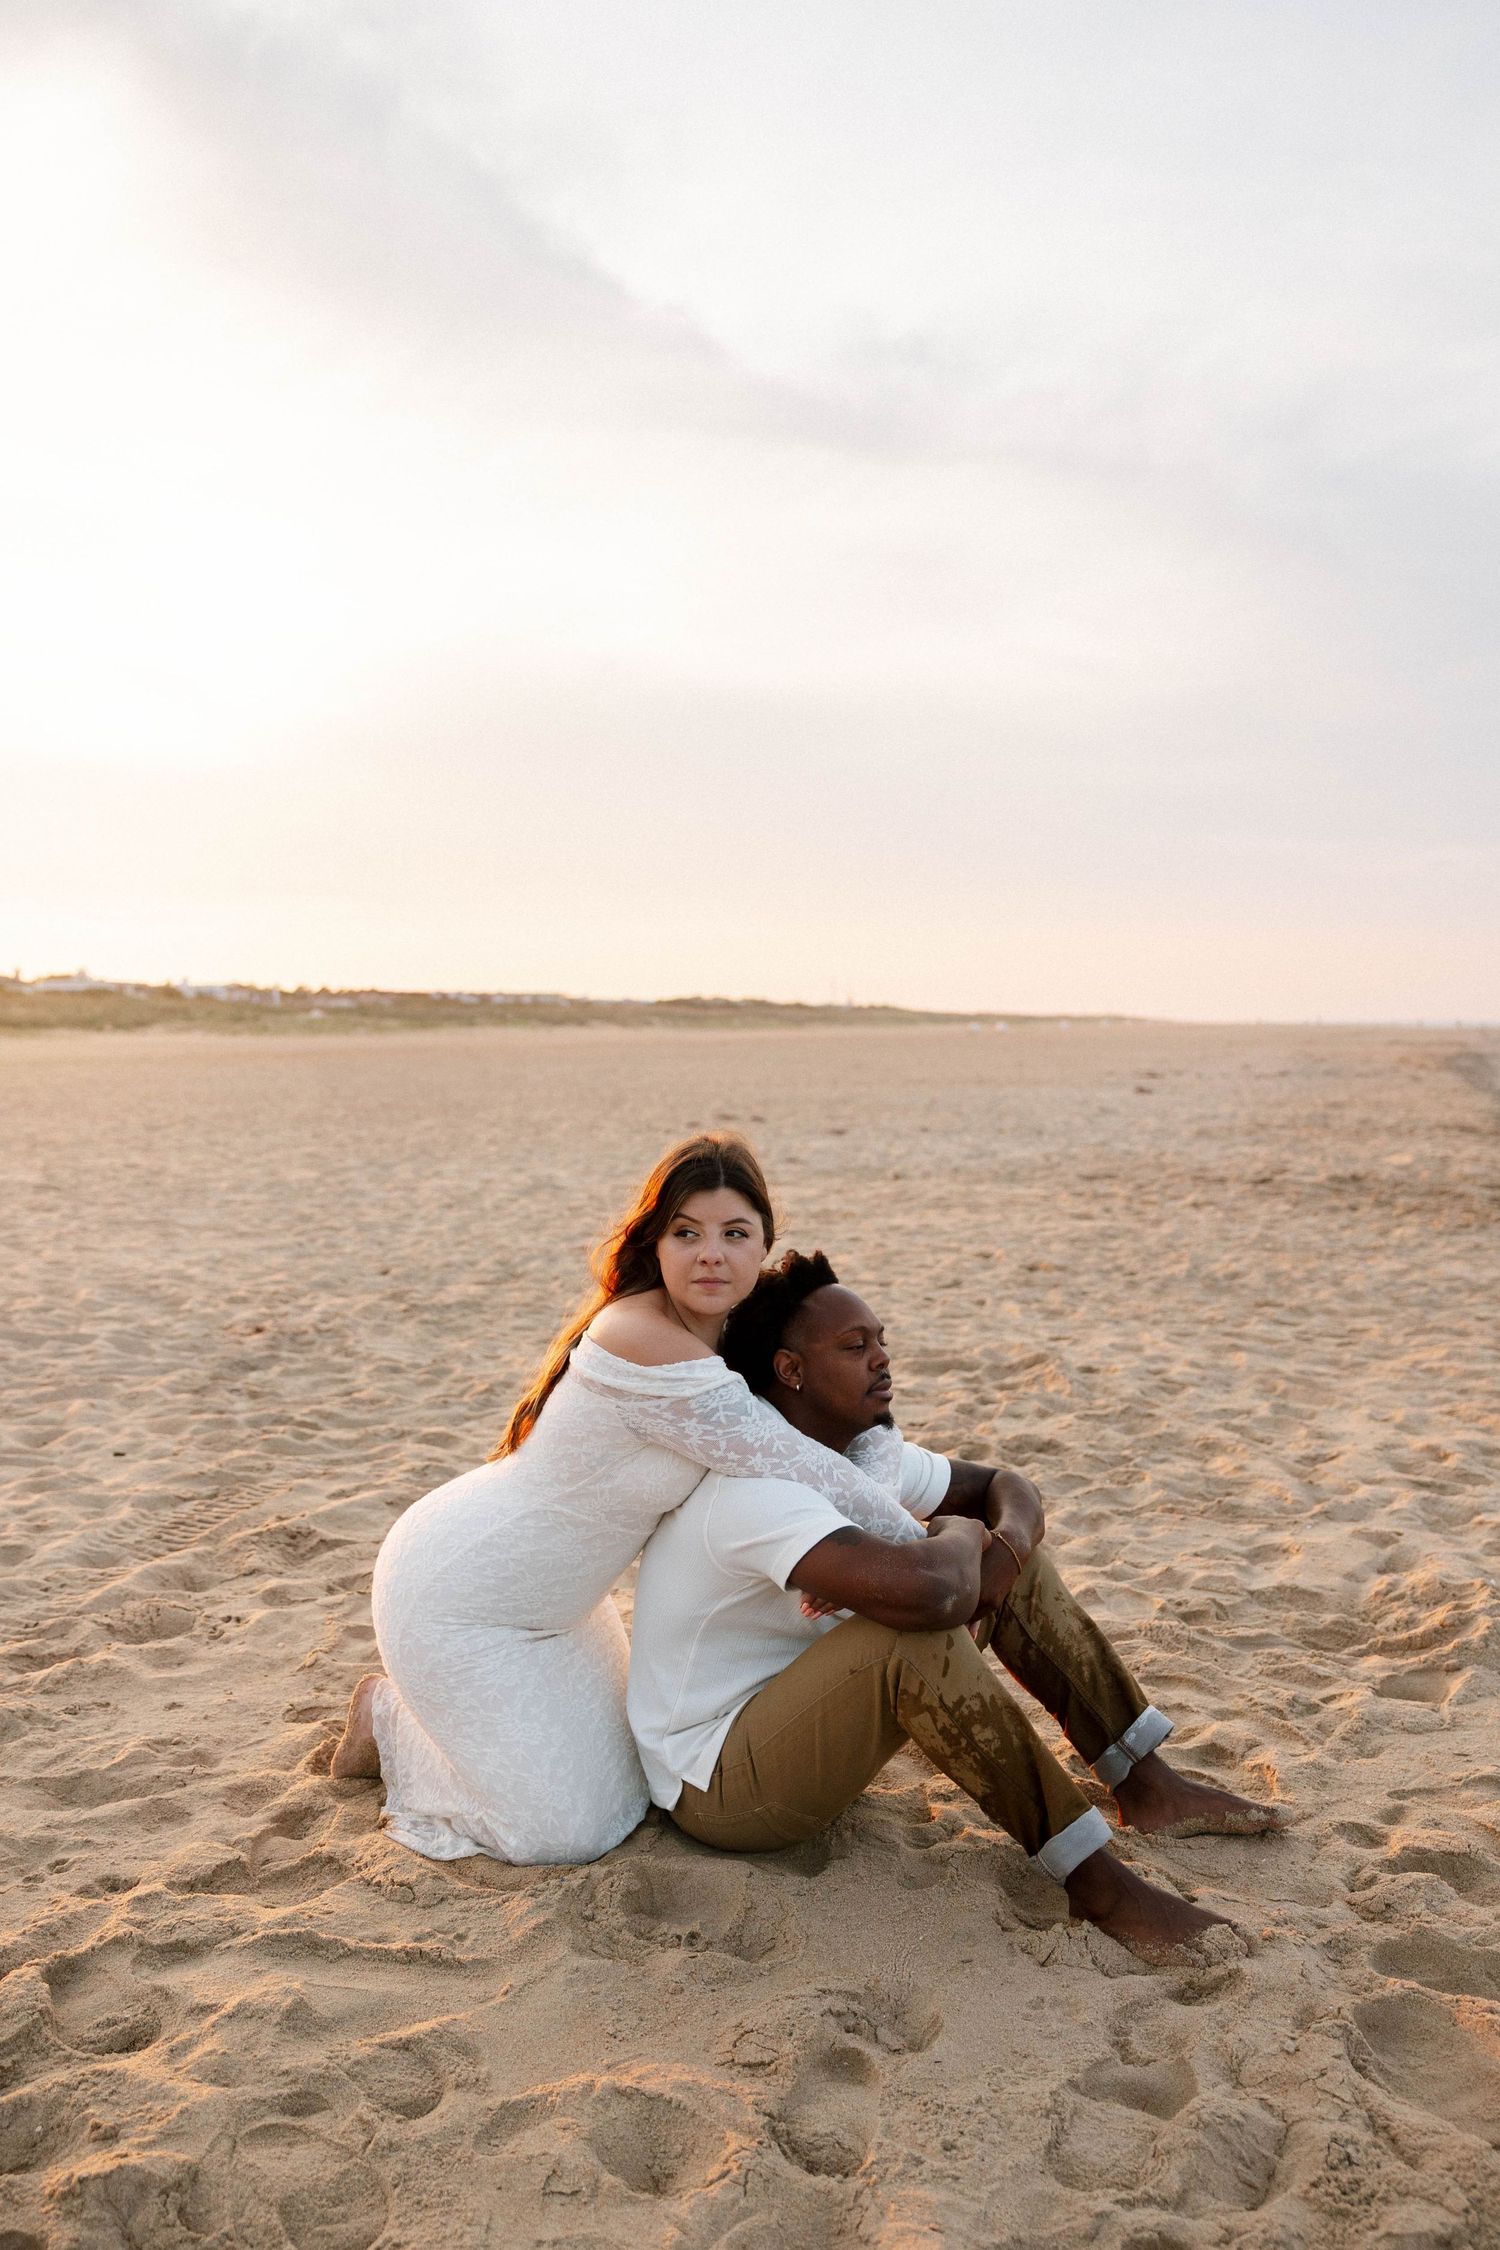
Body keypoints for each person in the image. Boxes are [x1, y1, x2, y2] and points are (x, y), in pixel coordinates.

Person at [627, 1251, 1284, 1960]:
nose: (882, 1360)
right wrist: (965, 1534)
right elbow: (938, 1595)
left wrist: (994, 1546)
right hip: (723, 1787)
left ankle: (1146, 1784)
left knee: (1015, 1564)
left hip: (801, 1726)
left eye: (882, 1341)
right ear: (790, 1371)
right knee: (916, 1635)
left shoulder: (858, 1459)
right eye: (855, 1348)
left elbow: (1009, 1485)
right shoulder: (756, 1490)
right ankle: (1101, 1889)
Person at [329, 1138, 927, 1865]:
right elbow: (810, 1466)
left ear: (765, 1245)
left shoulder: (731, 1336)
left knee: (629, 1793)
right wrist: (918, 1559)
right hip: (459, 1595)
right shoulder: (640, 1336)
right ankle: (388, 1718)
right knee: (567, 1834)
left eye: (734, 1234)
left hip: (564, 1608)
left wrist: (880, 1499)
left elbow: (862, 1434)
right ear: (656, 1242)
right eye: (687, 1233)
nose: (711, 1255)